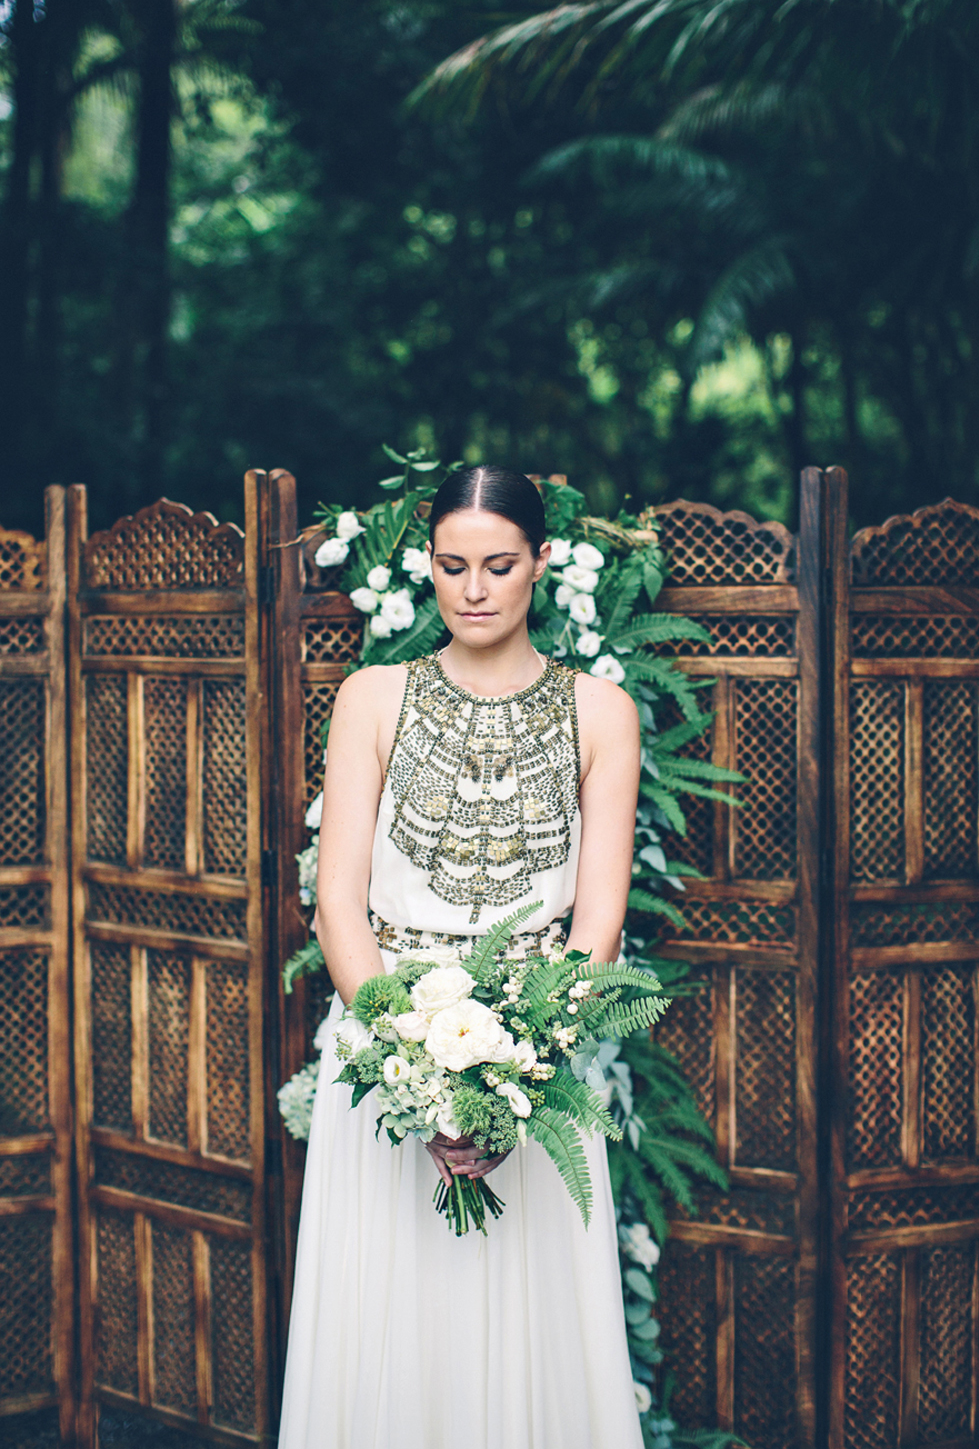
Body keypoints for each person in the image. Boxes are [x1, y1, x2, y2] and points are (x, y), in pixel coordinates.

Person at [278, 466, 644, 1449]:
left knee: (530, 1332)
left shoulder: (603, 713)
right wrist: (428, 1073)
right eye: (451, 566)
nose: (474, 589)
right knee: (391, 1320)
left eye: (498, 565)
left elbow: (595, 931)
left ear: (543, 564)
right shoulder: (372, 698)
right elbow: (337, 909)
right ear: (426, 569)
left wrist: (512, 1068)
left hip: (538, 1068)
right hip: (388, 1056)